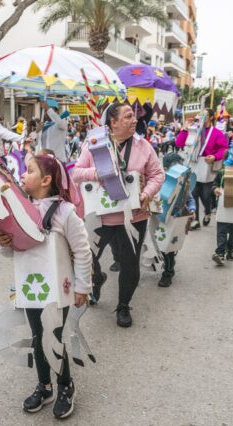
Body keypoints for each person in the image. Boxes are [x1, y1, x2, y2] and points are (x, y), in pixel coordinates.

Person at [0, 154, 91, 419]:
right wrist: (1, 240)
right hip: (30, 288)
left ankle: (65, 385)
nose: (22, 175)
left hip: (59, 289)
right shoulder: (17, 210)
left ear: (46, 180)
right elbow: (7, 252)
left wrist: (83, 286)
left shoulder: (64, 211)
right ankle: (45, 386)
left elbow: (82, 251)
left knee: (54, 338)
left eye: (29, 171)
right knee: (38, 337)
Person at [71, 102, 165, 328]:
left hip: (133, 218)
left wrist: (146, 193)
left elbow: (157, 174)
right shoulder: (94, 144)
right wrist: (98, 173)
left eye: (133, 117)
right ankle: (97, 278)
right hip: (99, 216)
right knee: (87, 255)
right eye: (128, 117)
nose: (134, 120)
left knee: (130, 265)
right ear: (112, 123)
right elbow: (76, 172)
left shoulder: (143, 146)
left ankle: (123, 305)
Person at [175, 109, 229, 229]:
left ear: (210, 117)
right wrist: (184, 128)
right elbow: (179, 143)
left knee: (206, 195)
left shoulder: (216, 133)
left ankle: (208, 211)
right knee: (193, 193)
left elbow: (224, 149)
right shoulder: (193, 130)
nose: (200, 117)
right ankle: (195, 220)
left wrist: (215, 157)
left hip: (206, 165)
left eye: (204, 115)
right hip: (193, 164)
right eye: (200, 115)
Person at [157, 154, 196, 288]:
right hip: (158, 218)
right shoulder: (160, 181)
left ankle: (168, 272)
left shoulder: (182, 184)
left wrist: (191, 209)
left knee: (168, 249)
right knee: (157, 245)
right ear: (166, 169)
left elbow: (190, 199)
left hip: (174, 219)